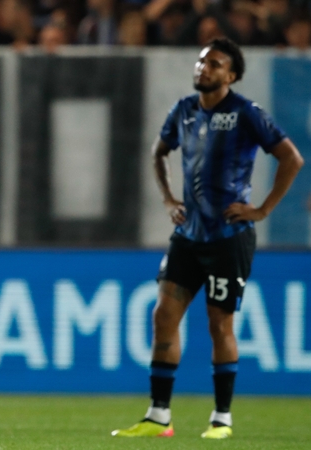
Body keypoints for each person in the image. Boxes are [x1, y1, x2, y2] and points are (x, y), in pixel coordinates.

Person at [112, 37, 303, 439]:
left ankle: (222, 419)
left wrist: (262, 210)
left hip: (228, 238)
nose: (204, 68)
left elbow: (291, 157)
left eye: (214, 64)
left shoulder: (246, 112)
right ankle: (159, 416)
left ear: (231, 75)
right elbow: (158, 151)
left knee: (221, 325)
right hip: (188, 235)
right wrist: (167, 198)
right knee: (163, 315)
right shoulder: (183, 110)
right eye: (201, 61)